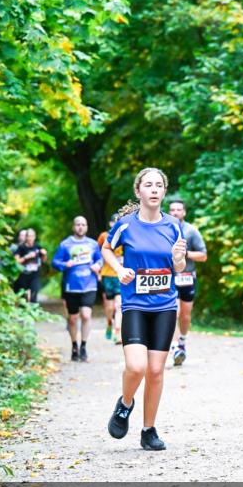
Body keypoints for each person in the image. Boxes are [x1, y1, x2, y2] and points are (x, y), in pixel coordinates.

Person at [102, 168, 186, 452]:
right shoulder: (126, 225)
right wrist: (119, 269)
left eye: (159, 185)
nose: (154, 189)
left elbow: (179, 266)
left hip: (165, 306)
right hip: (135, 304)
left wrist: (178, 259)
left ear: (164, 191)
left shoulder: (174, 226)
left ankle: (148, 431)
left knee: (156, 370)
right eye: (148, 185)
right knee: (136, 367)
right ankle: (125, 404)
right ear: (138, 191)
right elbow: (106, 249)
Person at [52, 216, 103, 362]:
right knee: (73, 318)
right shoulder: (65, 244)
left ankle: (83, 346)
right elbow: (55, 262)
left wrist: (98, 265)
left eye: (83, 225)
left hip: (89, 284)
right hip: (71, 286)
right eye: (78, 224)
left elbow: (100, 259)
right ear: (73, 227)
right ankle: (74, 345)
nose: (80, 227)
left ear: (86, 227)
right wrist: (64, 264)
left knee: (86, 315)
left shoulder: (93, 244)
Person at [167, 197, 208, 365]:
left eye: (178, 209)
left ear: (184, 212)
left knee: (185, 315)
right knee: (173, 312)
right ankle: (175, 347)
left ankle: (182, 342)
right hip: (169, 277)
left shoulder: (191, 231)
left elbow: (203, 255)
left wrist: (186, 254)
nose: (175, 212)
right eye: (172, 210)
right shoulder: (163, 230)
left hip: (187, 277)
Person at [97, 214, 124, 344]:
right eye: (114, 221)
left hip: (120, 274)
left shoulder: (126, 236)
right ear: (110, 224)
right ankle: (109, 322)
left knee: (119, 305)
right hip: (107, 274)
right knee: (110, 307)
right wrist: (98, 270)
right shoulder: (104, 236)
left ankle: (117, 332)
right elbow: (98, 252)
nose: (116, 223)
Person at [13, 228, 46, 304]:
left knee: (34, 295)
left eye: (32, 236)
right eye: (29, 236)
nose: (30, 238)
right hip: (23, 274)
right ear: (26, 237)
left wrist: (44, 254)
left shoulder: (37, 246)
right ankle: (23, 309)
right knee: (23, 297)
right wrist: (26, 257)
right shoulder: (21, 247)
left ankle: (33, 309)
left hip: (35, 274)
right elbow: (16, 261)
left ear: (35, 237)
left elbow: (44, 260)